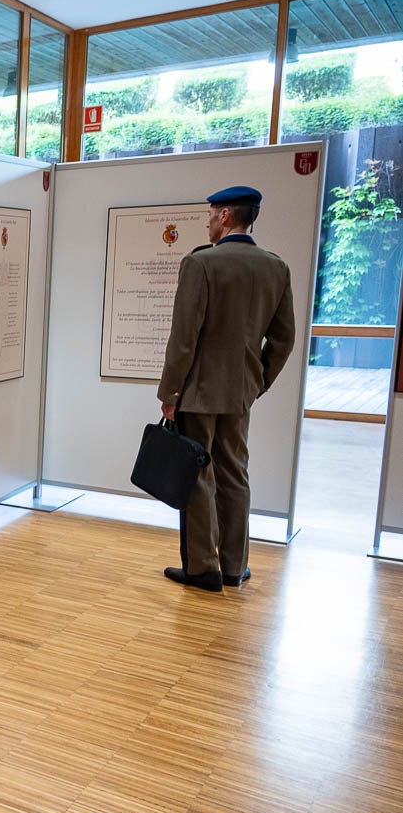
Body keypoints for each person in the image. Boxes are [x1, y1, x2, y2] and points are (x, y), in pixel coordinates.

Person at [157, 185, 295, 592]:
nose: (208, 220)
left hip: (197, 392)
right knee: (235, 473)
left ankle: (203, 567)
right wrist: (258, 382)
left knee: (199, 475)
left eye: (212, 213)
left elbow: (184, 337)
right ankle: (235, 566)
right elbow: (283, 340)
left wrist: (170, 393)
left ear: (227, 217)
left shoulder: (201, 264)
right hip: (240, 394)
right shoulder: (276, 267)